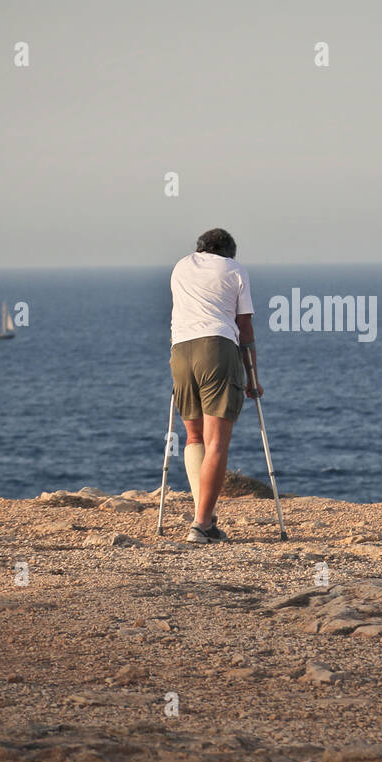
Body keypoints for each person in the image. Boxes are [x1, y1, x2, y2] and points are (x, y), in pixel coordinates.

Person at [168, 228, 261, 543]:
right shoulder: (235, 270)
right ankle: (202, 523)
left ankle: (201, 518)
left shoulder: (180, 266)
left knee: (193, 437)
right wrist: (253, 378)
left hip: (180, 351)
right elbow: (244, 326)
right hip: (218, 349)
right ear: (228, 252)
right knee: (217, 443)